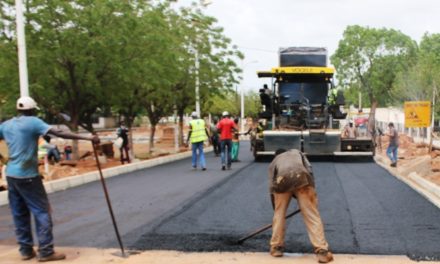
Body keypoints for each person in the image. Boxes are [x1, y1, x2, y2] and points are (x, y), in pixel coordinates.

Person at [0, 96, 99, 262]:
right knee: (42, 211)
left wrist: (3, 159)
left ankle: (25, 250)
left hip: (11, 175)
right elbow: (58, 132)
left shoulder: (6, 125)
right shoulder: (33, 122)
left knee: (19, 212)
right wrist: (88, 138)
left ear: (18, 109)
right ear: (32, 110)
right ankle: (46, 251)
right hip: (28, 176)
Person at [268, 148, 333, 263]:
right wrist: (310, 197)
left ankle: (276, 248)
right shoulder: (297, 153)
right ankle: (322, 251)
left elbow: (272, 186)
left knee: (279, 215)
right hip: (302, 178)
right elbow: (309, 170)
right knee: (312, 215)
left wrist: (277, 209)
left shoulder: (274, 162)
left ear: (276, 155)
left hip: (281, 181)